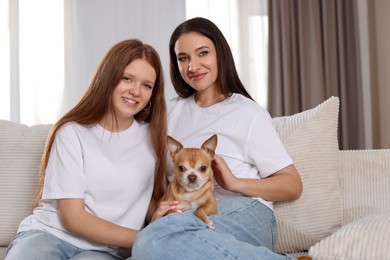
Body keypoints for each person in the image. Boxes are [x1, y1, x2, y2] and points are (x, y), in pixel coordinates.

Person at [131, 17, 303, 260]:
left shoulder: (247, 112)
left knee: (152, 240)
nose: (193, 66)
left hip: (245, 210)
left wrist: (234, 183)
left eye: (203, 53)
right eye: (183, 58)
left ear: (220, 54)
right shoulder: (167, 113)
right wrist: (153, 212)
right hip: (184, 217)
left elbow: (292, 185)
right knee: (155, 240)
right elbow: (147, 183)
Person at [5, 39, 167, 260]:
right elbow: (73, 218)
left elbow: (144, 196)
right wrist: (147, 237)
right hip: (48, 235)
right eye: (127, 78)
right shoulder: (72, 132)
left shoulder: (154, 137)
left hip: (104, 251)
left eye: (147, 85)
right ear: (109, 78)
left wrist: (160, 216)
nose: (136, 91)